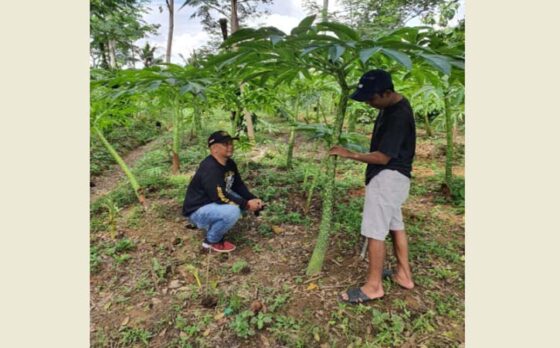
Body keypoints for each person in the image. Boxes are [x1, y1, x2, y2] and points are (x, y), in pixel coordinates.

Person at [329, 69, 416, 303]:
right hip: (396, 180)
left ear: (387, 93)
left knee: (375, 231)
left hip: (388, 178)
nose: (369, 103)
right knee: (395, 225)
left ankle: (373, 286)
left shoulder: (397, 115)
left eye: (372, 98)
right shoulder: (391, 107)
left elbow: (383, 157)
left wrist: (349, 154)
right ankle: (404, 275)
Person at [182, 130, 264, 253]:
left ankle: (211, 224)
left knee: (239, 200)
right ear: (214, 149)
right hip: (197, 210)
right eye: (225, 144)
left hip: (210, 203)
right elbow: (220, 197)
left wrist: (252, 198)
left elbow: (238, 185)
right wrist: (246, 205)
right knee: (233, 211)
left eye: (231, 143)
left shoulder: (229, 163)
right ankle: (211, 241)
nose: (230, 146)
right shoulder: (210, 168)